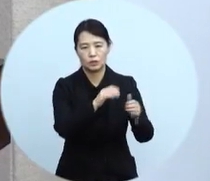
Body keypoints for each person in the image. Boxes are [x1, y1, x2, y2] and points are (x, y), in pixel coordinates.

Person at [52, 19, 154, 181]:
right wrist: (96, 102)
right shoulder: (65, 86)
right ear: (76, 50)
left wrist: (138, 116)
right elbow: (63, 128)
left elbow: (145, 136)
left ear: (109, 46)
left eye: (98, 45)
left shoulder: (125, 84)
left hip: (118, 171)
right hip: (76, 170)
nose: (92, 53)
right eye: (84, 47)